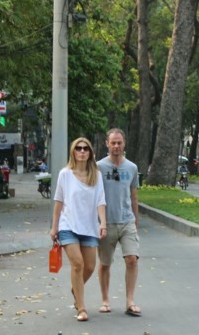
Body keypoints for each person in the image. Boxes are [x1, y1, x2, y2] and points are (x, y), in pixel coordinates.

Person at [49, 138, 107, 322]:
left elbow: (100, 200)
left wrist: (103, 223)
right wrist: (54, 226)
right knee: (78, 264)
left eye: (86, 148)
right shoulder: (65, 174)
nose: (82, 151)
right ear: (73, 152)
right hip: (68, 226)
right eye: (78, 148)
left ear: (90, 152)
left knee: (89, 266)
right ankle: (81, 308)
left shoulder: (95, 175)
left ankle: (76, 288)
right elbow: (59, 201)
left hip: (89, 227)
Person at [97, 128, 142, 317]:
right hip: (106, 222)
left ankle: (130, 301)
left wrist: (136, 219)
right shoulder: (98, 166)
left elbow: (134, 195)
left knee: (132, 259)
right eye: (113, 142)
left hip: (127, 222)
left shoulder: (131, 168)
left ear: (124, 144)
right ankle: (105, 300)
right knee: (105, 263)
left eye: (119, 142)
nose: (116, 146)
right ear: (107, 144)